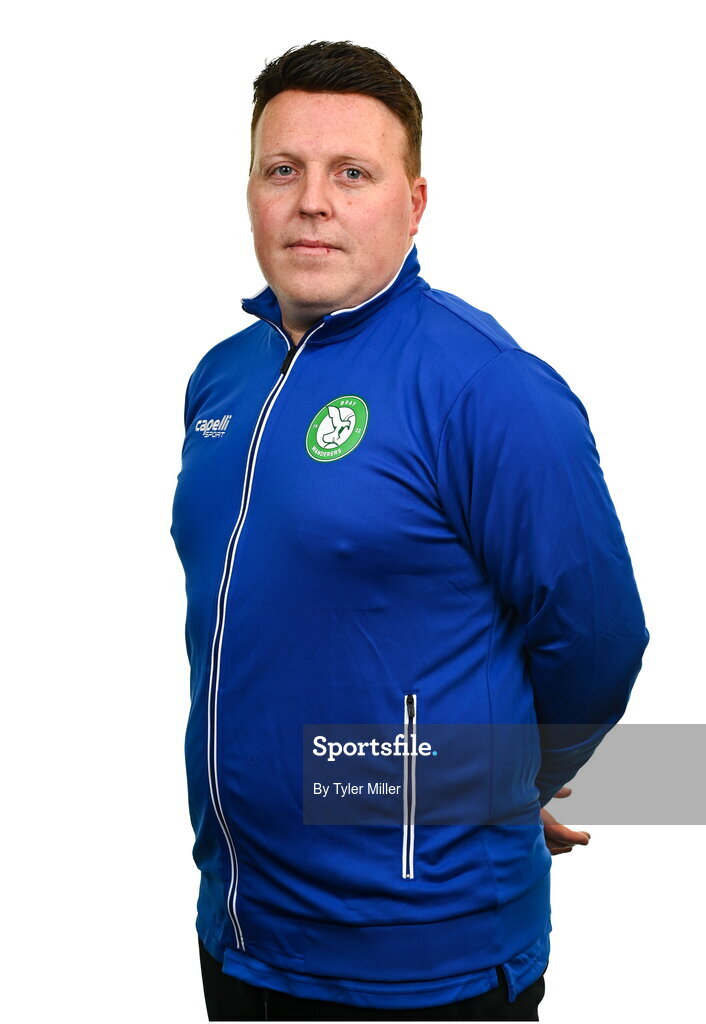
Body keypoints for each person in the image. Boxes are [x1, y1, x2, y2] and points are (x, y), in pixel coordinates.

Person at [170, 40, 649, 1021]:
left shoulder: (487, 388)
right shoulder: (224, 378)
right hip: (242, 939)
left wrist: (504, 779)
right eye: (282, 170)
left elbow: (597, 639)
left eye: (352, 172)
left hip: (423, 966)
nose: (312, 201)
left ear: (413, 202)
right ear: (250, 191)